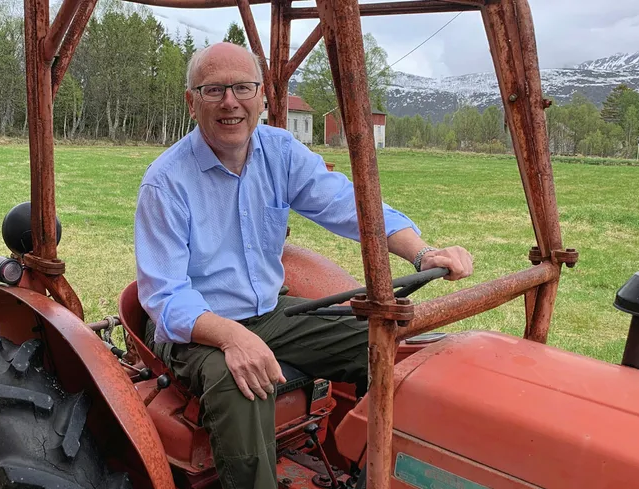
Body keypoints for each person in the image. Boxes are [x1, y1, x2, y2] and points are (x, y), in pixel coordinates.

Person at [133, 42, 473, 489]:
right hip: (197, 332)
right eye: (213, 89)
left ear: (262, 96)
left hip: (272, 314)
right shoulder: (166, 183)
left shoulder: (279, 151)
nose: (230, 102)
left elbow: (350, 206)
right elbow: (166, 295)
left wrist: (422, 253)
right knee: (243, 384)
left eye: (242, 87)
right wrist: (233, 338)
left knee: (384, 347)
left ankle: (379, 471)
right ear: (191, 101)